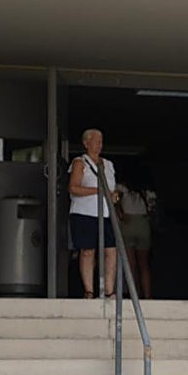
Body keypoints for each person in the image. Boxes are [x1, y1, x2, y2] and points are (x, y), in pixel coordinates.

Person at [68, 128, 119, 299]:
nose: (99, 145)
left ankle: (109, 290)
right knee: (88, 250)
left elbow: (112, 189)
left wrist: (113, 195)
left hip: (106, 213)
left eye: (101, 141)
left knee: (111, 250)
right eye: (96, 141)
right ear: (86, 143)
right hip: (85, 213)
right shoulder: (79, 162)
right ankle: (89, 290)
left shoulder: (109, 164)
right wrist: (98, 190)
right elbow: (73, 188)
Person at [115, 164, 156, 300]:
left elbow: (113, 201)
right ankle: (148, 296)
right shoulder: (148, 192)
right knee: (144, 265)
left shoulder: (122, 189)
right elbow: (153, 209)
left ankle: (135, 296)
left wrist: (120, 213)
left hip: (128, 224)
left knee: (131, 266)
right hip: (143, 224)